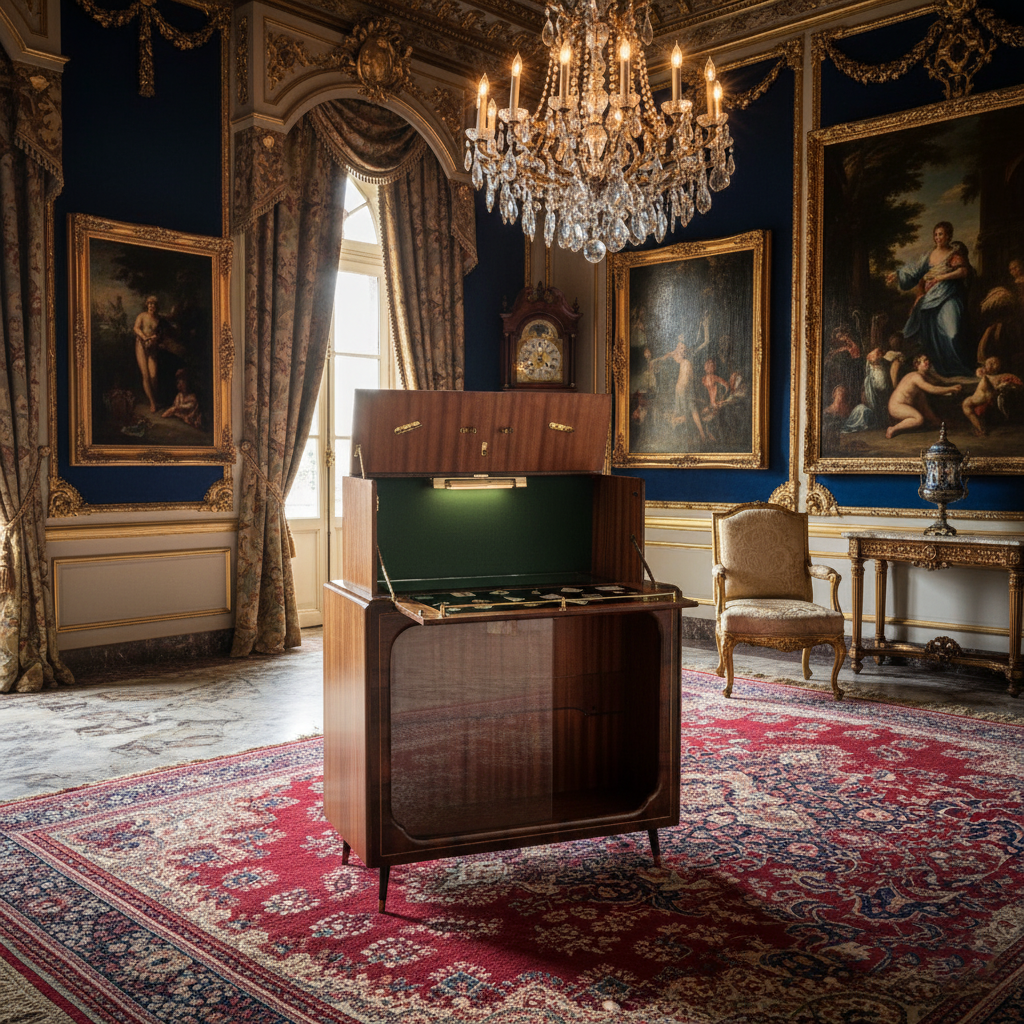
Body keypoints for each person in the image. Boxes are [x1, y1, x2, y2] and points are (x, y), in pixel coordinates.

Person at [886, 221, 974, 377]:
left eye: (941, 234)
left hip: (949, 296)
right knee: (929, 334)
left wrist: (941, 277)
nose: (938, 237)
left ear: (949, 236)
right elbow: (913, 270)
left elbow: (963, 271)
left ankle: (956, 367)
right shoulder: (928, 255)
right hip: (930, 299)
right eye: (936, 234)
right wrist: (898, 275)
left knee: (952, 333)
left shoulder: (953, 254)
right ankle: (936, 365)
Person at [885, 353, 961, 439]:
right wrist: (951, 389)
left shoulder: (923, 379)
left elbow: (924, 407)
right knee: (919, 419)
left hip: (904, 406)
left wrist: (938, 422)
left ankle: (935, 421)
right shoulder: (916, 376)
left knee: (922, 405)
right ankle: (893, 429)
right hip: (896, 407)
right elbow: (932, 389)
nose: (927, 362)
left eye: (927, 360)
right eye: (924, 360)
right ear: (917, 365)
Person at [961, 357, 1023, 435]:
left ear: (999, 367)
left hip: (983, 398)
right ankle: (980, 429)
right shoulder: (982, 374)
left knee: (967, 405)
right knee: (967, 405)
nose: (990, 365)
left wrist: (1003, 385)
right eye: (988, 363)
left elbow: (1017, 385)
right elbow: (978, 374)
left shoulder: (1000, 376)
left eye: (994, 363)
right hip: (976, 399)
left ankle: (981, 430)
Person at [842, 347, 892, 433]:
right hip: (870, 407)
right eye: (875, 354)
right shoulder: (867, 375)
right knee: (861, 410)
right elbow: (864, 394)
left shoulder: (885, 370)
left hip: (882, 408)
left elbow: (885, 388)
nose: (878, 355)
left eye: (879, 353)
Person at [133, 295, 163, 413]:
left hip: (152, 347)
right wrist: (145, 337)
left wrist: (155, 338)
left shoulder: (158, 320)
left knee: (154, 376)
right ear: (147, 305)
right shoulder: (142, 316)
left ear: (156, 306)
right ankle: (152, 402)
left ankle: (153, 396)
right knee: (145, 375)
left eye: (154, 304)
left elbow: (160, 334)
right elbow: (136, 328)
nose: (152, 306)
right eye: (150, 304)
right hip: (141, 345)